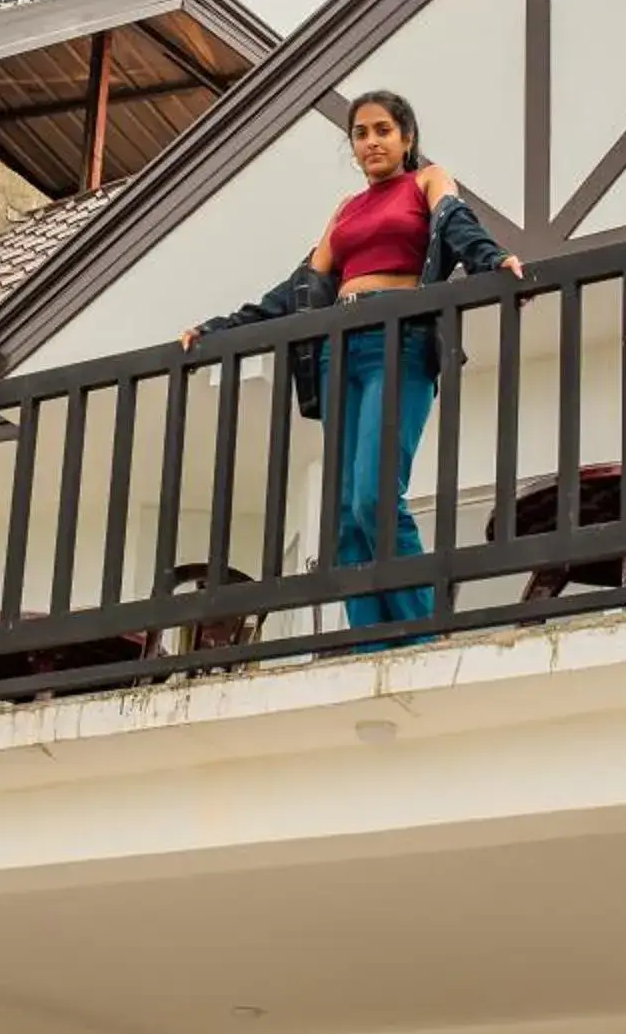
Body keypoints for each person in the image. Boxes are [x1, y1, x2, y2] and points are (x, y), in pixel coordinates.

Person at [182, 91, 523, 633]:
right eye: (360, 134)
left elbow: (456, 225)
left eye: (383, 130)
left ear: (406, 137)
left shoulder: (427, 181)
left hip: (399, 337)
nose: (371, 142)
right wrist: (221, 328)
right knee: (343, 516)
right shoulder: (345, 209)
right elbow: (300, 288)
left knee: (375, 497)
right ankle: (370, 645)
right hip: (338, 348)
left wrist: (494, 260)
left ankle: (421, 636)